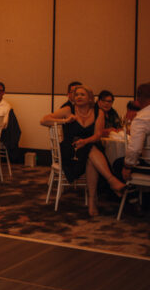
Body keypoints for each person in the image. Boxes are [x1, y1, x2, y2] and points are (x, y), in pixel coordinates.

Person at [41, 85, 126, 216]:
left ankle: (93, 200)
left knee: (90, 153)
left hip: (89, 146)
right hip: (71, 151)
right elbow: (44, 120)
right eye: (76, 95)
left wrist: (85, 141)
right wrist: (64, 121)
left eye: (82, 94)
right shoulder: (68, 110)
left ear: (90, 98)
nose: (79, 97)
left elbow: (98, 135)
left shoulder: (99, 112)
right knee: (91, 152)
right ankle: (109, 181)